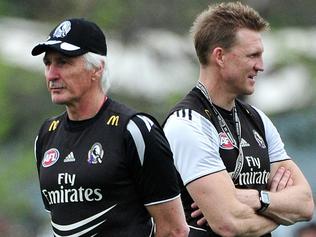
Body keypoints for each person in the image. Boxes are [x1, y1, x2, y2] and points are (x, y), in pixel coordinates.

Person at [163, 2, 314, 237]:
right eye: (253, 55)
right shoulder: (188, 123)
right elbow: (229, 224)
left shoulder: (258, 119)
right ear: (220, 56)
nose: (261, 66)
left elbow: (305, 204)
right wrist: (277, 214)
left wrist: (253, 198)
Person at [32, 18, 189, 237]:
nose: (51, 74)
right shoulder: (46, 135)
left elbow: (174, 230)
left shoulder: (135, 129)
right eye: (47, 63)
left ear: (96, 68)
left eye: (63, 62)